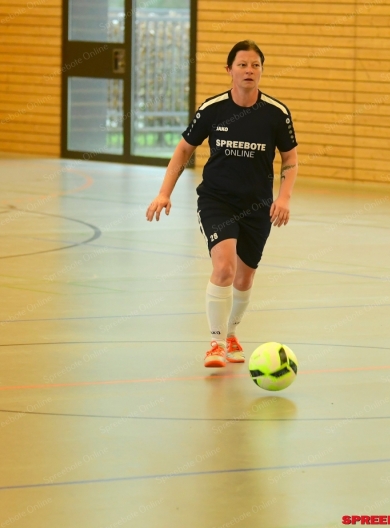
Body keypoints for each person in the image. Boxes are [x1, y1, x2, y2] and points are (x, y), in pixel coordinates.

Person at [146, 40, 298, 368]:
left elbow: (290, 159)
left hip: (257, 206)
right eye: (242, 64)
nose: (249, 70)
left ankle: (231, 335)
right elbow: (184, 150)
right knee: (225, 268)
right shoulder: (213, 109)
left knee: (244, 279)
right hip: (217, 201)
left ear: (262, 71)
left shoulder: (276, 113)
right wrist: (164, 192)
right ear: (229, 70)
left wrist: (284, 197)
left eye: (255, 65)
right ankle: (215, 344)